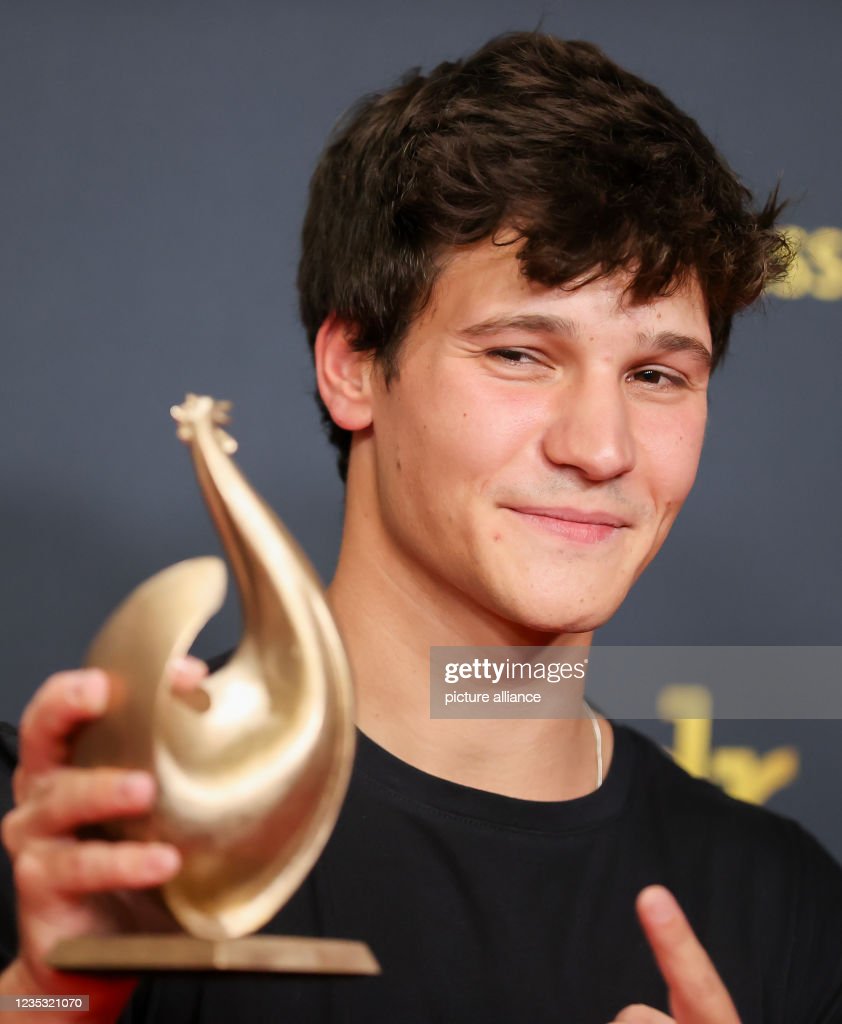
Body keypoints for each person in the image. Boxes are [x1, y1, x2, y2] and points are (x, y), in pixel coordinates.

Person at [1, 30, 841, 1024]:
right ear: (354, 364)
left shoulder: (786, 910)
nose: (600, 447)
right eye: (520, 354)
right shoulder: (71, 841)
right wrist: (53, 994)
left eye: (656, 375)